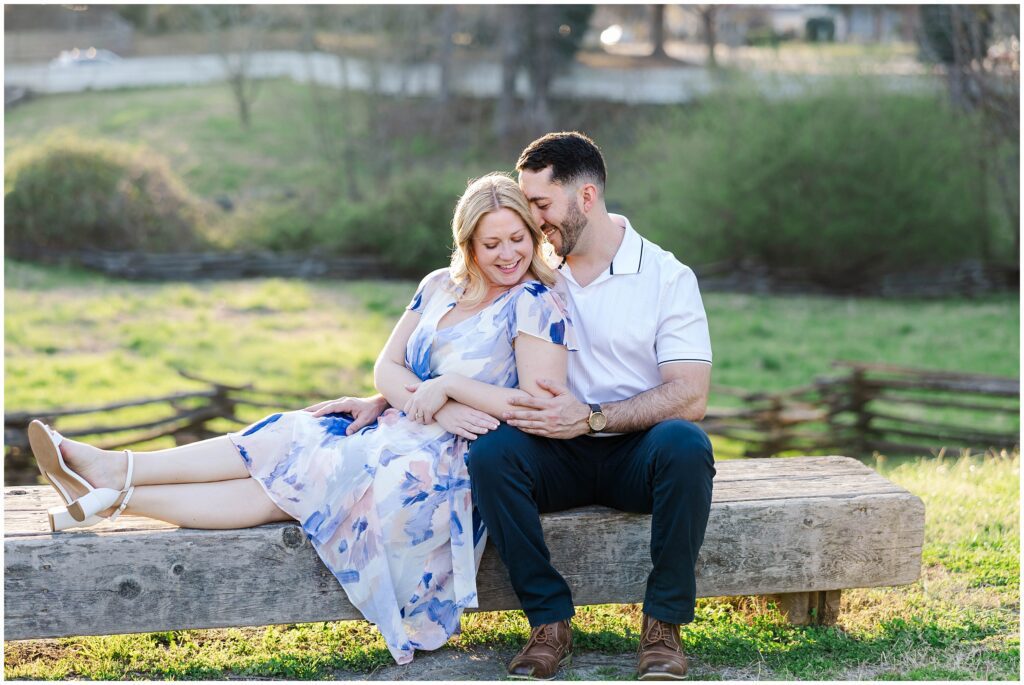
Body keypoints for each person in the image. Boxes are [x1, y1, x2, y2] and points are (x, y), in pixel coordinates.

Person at [28, 173, 577, 666]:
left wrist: (451, 389)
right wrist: (425, 399)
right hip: (398, 425)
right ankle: (117, 473)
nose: (508, 254)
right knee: (287, 434)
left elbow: (535, 405)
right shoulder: (439, 286)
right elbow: (386, 368)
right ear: (468, 244)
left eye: (517, 239)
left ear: (532, 236)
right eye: (491, 244)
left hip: (447, 461)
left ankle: (114, 492)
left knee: (303, 483)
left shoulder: (535, 300)